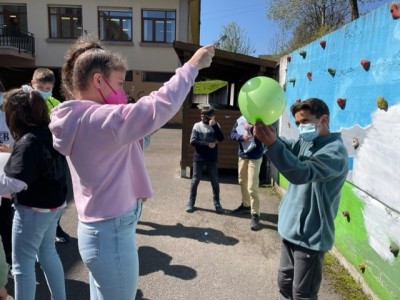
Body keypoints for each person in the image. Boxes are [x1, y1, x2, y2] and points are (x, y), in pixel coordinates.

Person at [48, 35, 214, 299]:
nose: (123, 93)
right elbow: (157, 105)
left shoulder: (76, 118)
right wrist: (192, 66)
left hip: (96, 229)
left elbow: (128, 143)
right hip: (111, 232)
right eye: (119, 84)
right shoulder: (98, 119)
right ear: (98, 81)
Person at [253, 98, 348, 300]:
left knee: (302, 294)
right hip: (290, 230)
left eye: (304, 122)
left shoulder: (335, 152)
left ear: (324, 119)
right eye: (297, 123)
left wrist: (272, 144)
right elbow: (287, 145)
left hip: (310, 237)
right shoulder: (307, 142)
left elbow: (302, 173)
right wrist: (271, 137)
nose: (300, 128)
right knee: (285, 284)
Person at [1, 88, 67, 300]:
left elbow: (14, 182)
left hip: (33, 210)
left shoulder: (28, 141)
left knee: (22, 267)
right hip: (54, 206)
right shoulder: (49, 133)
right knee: (48, 254)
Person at [23, 68, 71, 243]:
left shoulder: (56, 104)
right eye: (40, 87)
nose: (43, 91)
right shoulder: (24, 102)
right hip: (32, 152)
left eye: (47, 88)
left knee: (58, 190)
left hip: (54, 153)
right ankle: (32, 232)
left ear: (52, 87)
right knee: (31, 191)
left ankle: (55, 227)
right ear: (32, 84)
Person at [186, 105, 224, 214]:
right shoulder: (197, 126)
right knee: (195, 180)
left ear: (212, 116)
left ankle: (217, 203)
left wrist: (215, 126)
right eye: (203, 115)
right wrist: (208, 144)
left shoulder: (216, 125)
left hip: (212, 158)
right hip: (199, 157)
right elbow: (193, 141)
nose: (204, 118)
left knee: (215, 181)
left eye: (207, 116)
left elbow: (221, 138)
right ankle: (191, 202)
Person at [231, 115, 264, 230]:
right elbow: (233, 133)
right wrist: (241, 137)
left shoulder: (261, 120)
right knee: (242, 181)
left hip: (255, 157)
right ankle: (246, 205)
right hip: (243, 156)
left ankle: (255, 214)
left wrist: (251, 128)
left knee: (252, 187)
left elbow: (265, 136)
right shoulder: (241, 119)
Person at [0, 80, 14, 267]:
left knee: (5, 223)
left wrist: (10, 149)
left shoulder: (9, 116)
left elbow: (19, 142)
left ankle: (9, 258)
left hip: (6, 178)